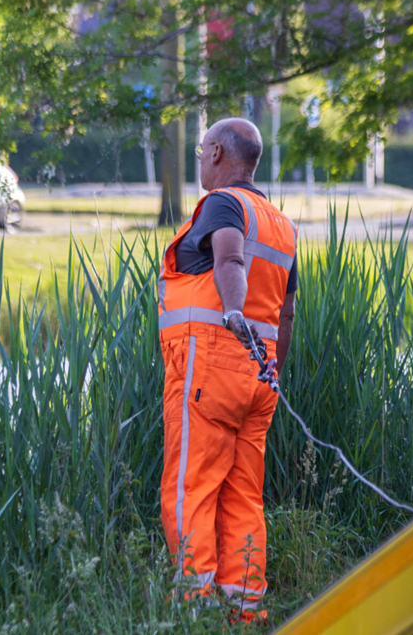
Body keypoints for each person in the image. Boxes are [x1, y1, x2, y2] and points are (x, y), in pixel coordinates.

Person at [158, 118, 297, 624]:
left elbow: (230, 258)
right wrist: (273, 369)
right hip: (259, 379)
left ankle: (193, 608)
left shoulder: (224, 203)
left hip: (211, 365)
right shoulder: (281, 224)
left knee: (191, 485)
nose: (199, 158)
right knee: (243, 492)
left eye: (200, 150)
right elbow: (285, 314)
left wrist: (233, 310)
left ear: (216, 153)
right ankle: (245, 608)